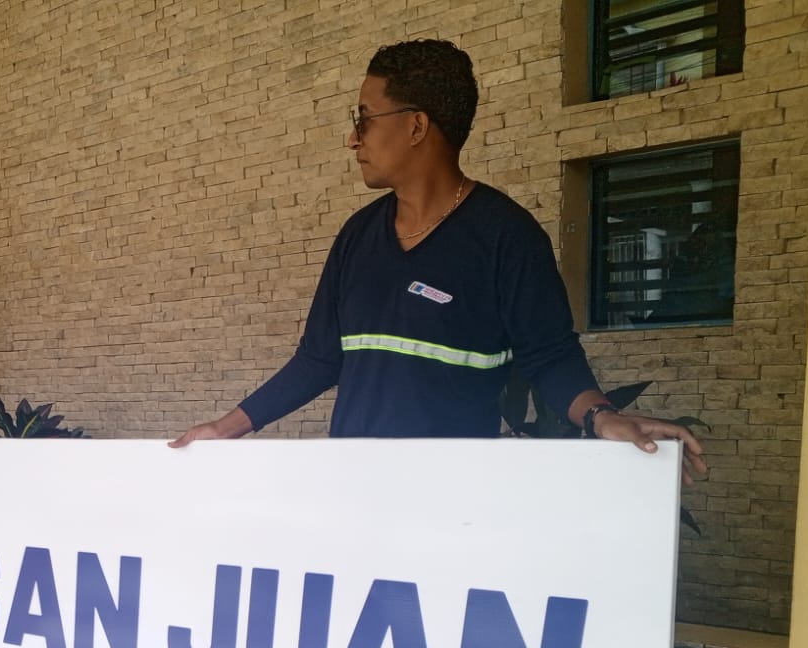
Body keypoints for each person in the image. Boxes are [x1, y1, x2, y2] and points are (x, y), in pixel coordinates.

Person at [171, 38, 707, 481]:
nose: (352, 139)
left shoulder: (507, 237)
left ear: (416, 126)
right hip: (351, 489)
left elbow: (549, 356)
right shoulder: (357, 236)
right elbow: (318, 359)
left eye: (364, 119)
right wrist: (226, 427)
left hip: (453, 500)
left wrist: (601, 416)